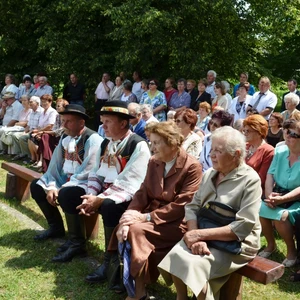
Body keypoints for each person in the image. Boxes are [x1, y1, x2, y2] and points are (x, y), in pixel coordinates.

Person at [158, 126, 262, 300]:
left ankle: (203, 297)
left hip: (237, 243)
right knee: (176, 254)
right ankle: (181, 297)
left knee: (196, 264)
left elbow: (243, 226)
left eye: (218, 151)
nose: (212, 154)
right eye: (211, 149)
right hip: (206, 232)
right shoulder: (210, 174)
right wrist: (194, 235)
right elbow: (192, 207)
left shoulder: (250, 180)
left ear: (236, 154)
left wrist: (200, 235)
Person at [110, 121, 202, 299]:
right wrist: (128, 217)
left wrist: (145, 218)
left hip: (175, 223)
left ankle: (136, 291)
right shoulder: (154, 162)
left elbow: (181, 206)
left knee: (136, 231)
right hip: (150, 219)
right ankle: (135, 287)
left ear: (172, 143)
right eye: (151, 142)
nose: (152, 148)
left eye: (156, 143)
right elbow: (143, 192)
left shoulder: (192, 167)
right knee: (132, 229)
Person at [52, 101, 150, 265]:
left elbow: (130, 181)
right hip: (106, 192)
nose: (102, 126)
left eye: (107, 122)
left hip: (128, 196)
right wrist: (90, 195)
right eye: (102, 121)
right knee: (67, 194)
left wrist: (100, 199)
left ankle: (110, 260)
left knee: (109, 206)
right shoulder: (106, 142)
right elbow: (96, 173)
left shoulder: (138, 145)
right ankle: (77, 243)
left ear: (123, 123)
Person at [30, 104, 103, 243]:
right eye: (63, 121)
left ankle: (76, 241)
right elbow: (55, 166)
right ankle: (56, 228)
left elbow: (89, 170)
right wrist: (52, 186)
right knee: (36, 186)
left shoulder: (93, 139)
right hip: (69, 180)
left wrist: (61, 188)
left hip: (87, 183)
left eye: (68, 121)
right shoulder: (66, 137)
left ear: (81, 123)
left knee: (66, 194)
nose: (64, 125)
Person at [259, 120, 300, 267]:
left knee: (281, 217)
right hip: (278, 193)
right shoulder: (280, 151)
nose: (288, 136)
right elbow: (270, 174)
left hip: (297, 199)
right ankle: (271, 245)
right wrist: (269, 195)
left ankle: (292, 252)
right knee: (261, 209)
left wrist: (283, 199)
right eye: (287, 132)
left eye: (293, 134)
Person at [243, 115, 274, 195]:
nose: (245, 133)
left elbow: (261, 178)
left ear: (259, 132)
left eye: (248, 131)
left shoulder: (268, 151)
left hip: (253, 192)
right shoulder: (244, 146)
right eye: (244, 130)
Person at [36, 99, 69, 172]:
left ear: (64, 107)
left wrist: (44, 132)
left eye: (58, 106)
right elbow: (54, 129)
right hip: (56, 136)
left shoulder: (67, 117)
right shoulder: (58, 116)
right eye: (56, 106)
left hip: (64, 137)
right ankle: (45, 164)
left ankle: (46, 165)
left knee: (45, 136)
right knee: (45, 137)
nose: (56, 108)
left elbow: (60, 131)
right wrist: (43, 133)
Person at [27, 94, 58, 168]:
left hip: (51, 134)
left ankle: (41, 161)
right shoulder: (43, 112)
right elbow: (40, 125)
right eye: (42, 102)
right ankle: (35, 159)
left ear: (50, 102)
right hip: (42, 131)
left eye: (45, 102)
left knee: (37, 137)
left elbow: (50, 126)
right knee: (31, 136)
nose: (43, 103)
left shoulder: (52, 112)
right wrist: (37, 131)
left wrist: (39, 132)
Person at [11, 96, 43, 161]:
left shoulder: (41, 112)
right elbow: (28, 125)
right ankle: (20, 154)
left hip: (36, 132)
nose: (29, 103)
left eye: (31, 102)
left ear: (37, 103)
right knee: (15, 135)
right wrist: (24, 132)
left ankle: (28, 156)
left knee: (22, 138)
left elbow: (40, 126)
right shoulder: (32, 112)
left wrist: (29, 132)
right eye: (29, 102)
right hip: (30, 131)